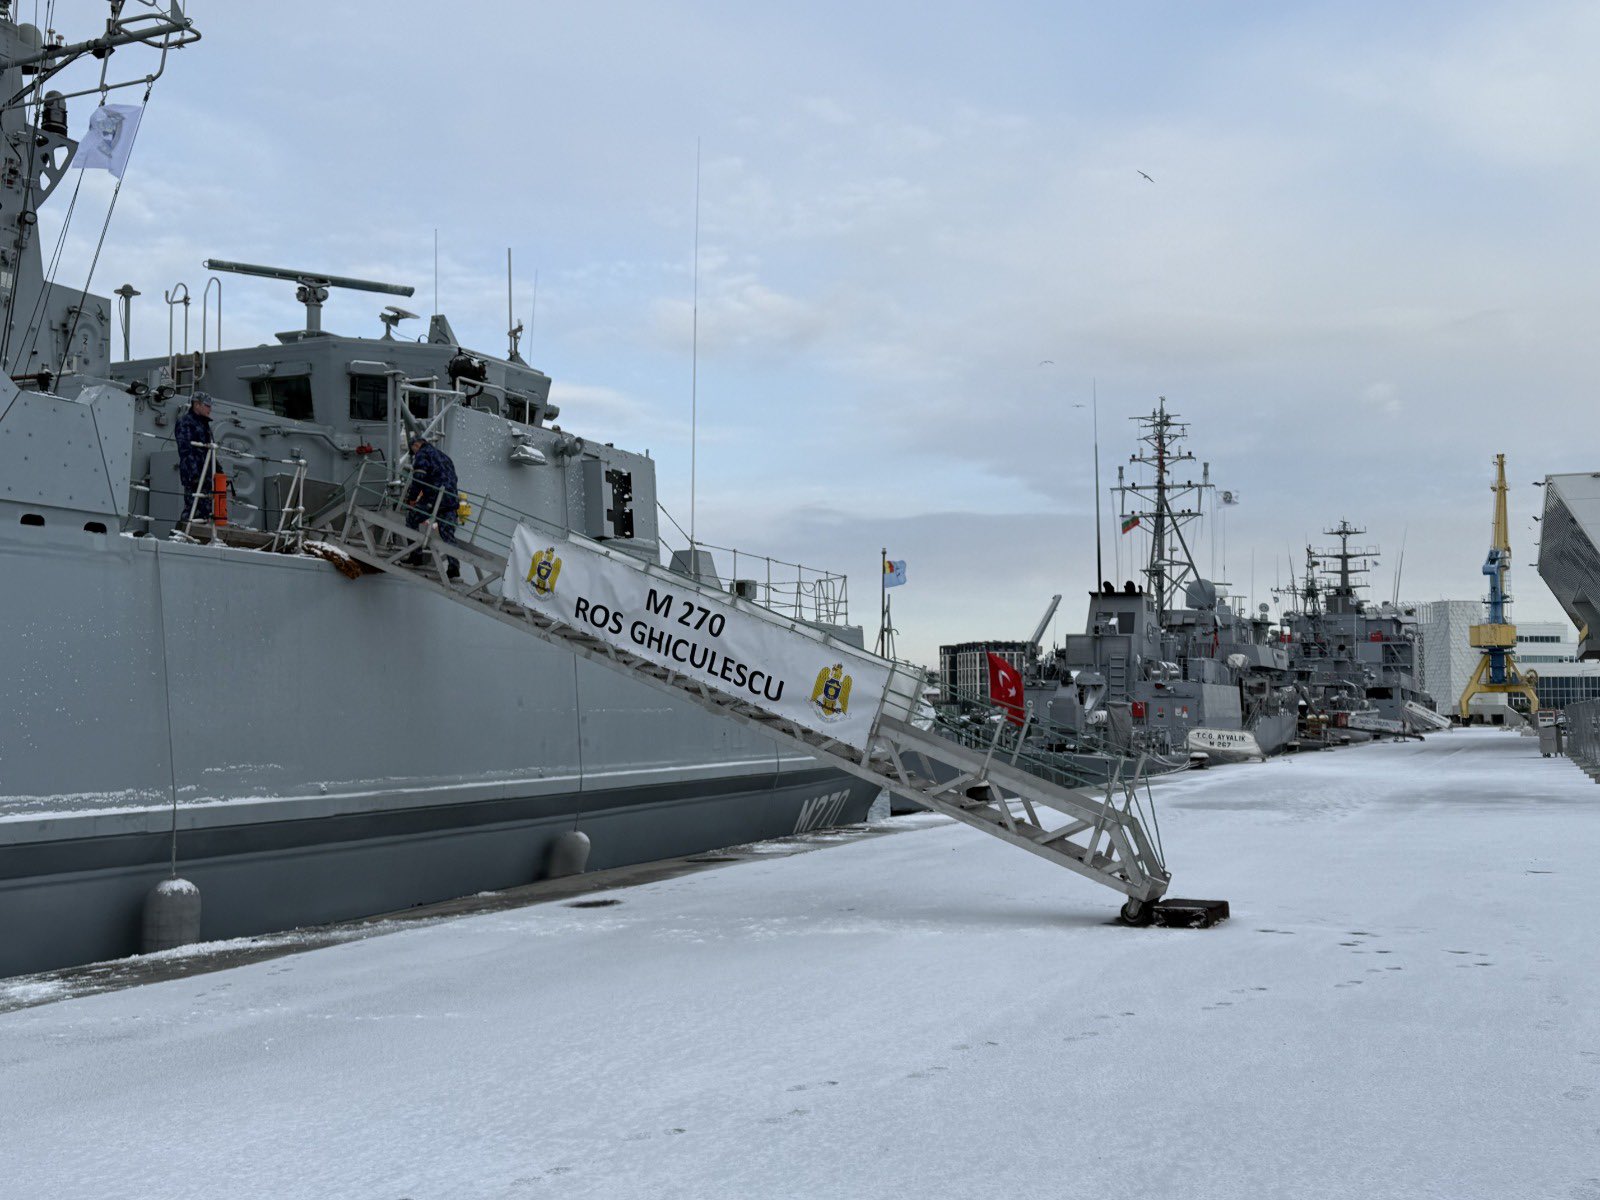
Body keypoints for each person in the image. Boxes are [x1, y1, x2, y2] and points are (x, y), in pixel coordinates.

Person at [403, 431, 461, 579]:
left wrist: (411, 499)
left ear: (416, 445)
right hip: (451, 500)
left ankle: (416, 556)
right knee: (447, 534)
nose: (413, 454)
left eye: (412, 450)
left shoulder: (422, 454)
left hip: (434, 498)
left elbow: (419, 479)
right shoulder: (444, 457)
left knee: (411, 519)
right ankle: (454, 568)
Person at [173, 392, 216, 522]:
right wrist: (194, 474)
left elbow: (209, 450)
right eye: (207, 405)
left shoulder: (204, 424)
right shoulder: (185, 422)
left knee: (205, 511)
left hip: (206, 473)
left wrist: (218, 471)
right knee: (192, 509)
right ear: (196, 405)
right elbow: (185, 449)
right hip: (194, 473)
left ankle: (201, 537)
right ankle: (185, 533)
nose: (210, 409)